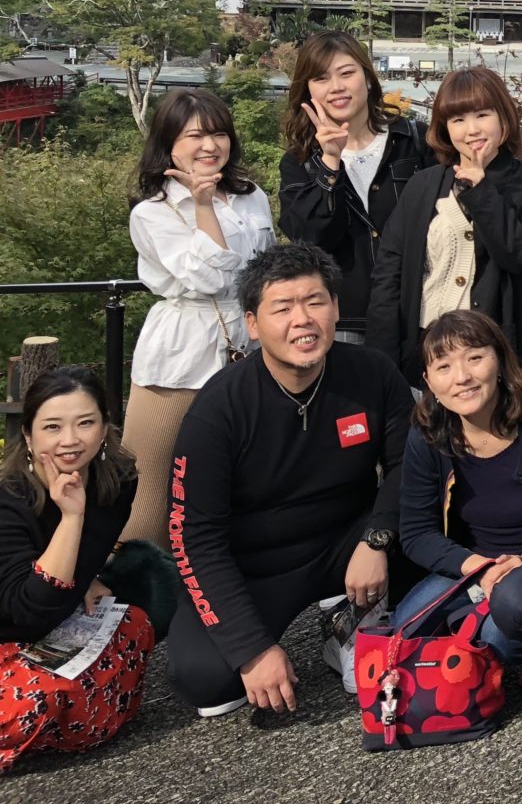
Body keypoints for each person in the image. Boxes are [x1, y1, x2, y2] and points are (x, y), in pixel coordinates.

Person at [166, 243, 413, 719]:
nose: (302, 320)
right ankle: (281, 634)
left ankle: (350, 621)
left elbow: (409, 466)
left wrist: (377, 537)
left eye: (315, 301)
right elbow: (192, 536)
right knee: (205, 679)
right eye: (282, 308)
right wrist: (252, 650)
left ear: (335, 307)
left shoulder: (372, 372)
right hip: (258, 564)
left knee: (433, 534)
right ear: (253, 324)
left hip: (349, 544)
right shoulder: (219, 410)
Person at [124, 87, 276, 543]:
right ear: (169, 145)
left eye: (218, 134)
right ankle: (135, 584)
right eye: (194, 136)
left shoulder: (251, 196)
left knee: (238, 481)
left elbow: (267, 267)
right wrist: (204, 205)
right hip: (182, 352)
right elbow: (207, 279)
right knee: (149, 488)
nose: (210, 145)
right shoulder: (153, 212)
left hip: (249, 341)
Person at [0, 367, 156, 772]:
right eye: (52, 427)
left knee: (135, 625)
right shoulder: (9, 499)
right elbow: (28, 611)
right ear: (29, 436)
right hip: (11, 631)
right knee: (34, 700)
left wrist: (86, 577)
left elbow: (90, 554)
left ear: (104, 427)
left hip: (57, 623)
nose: (70, 440)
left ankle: (56, 717)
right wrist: (71, 517)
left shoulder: (118, 480)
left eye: (85, 423)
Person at [393, 311, 522, 666]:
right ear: (428, 381)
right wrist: (480, 568)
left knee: (496, 640)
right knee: (405, 631)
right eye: (443, 367)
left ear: (500, 361)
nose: (462, 377)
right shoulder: (428, 434)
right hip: (476, 563)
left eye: (474, 358)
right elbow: (416, 532)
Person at [366, 66, 522, 387]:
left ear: (503, 116)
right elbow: (389, 272)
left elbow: (520, 255)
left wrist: (482, 192)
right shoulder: (424, 185)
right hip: (423, 347)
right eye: (458, 120)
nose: (472, 130)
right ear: (445, 127)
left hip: (489, 350)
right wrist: (382, 359)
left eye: (482, 115)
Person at [278, 31, 426, 346]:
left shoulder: (414, 143)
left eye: (346, 73)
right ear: (308, 90)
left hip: (421, 313)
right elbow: (309, 239)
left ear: (368, 78)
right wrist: (330, 163)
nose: (336, 87)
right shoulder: (300, 162)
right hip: (346, 321)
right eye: (321, 78)